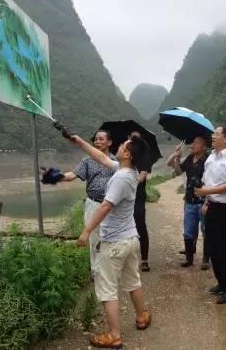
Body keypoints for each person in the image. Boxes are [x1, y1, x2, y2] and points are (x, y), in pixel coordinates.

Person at [70, 131, 152, 349]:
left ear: (127, 154)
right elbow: (102, 158)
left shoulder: (121, 178)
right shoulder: (127, 169)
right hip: (130, 239)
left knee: (107, 289)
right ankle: (142, 315)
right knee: (132, 280)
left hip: (115, 243)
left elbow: (105, 206)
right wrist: (79, 142)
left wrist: (87, 231)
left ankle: (114, 335)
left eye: (123, 145)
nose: (119, 147)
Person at [194, 126, 226, 304]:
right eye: (213, 133)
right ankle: (222, 282)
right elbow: (209, 180)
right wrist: (207, 200)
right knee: (214, 248)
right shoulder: (212, 157)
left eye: (216, 134)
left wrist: (207, 191)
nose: (212, 136)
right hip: (213, 208)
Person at [57, 130, 115, 274]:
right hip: (93, 204)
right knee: (94, 238)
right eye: (95, 139)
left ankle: (110, 267)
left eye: (101, 139)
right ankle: (96, 271)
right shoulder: (87, 160)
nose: (97, 142)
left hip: (112, 206)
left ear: (110, 142)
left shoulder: (115, 162)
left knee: (110, 237)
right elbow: (72, 175)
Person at [166, 136, 210, 269]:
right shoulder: (190, 158)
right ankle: (189, 259)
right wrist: (178, 156)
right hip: (190, 201)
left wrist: (207, 202)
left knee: (206, 231)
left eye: (196, 143)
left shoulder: (208, 161)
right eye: (192, 142)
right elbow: (178, 171)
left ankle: (206, 260)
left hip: (203, 201)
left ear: (204, 147)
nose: (192, 145)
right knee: (188, 231)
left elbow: (212, 182)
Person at [130, 130, 152, 272]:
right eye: (131, 138)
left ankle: (144, 260)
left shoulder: (144, 158)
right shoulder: (124, 158)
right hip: (124, 199)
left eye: (135, 138)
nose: (132, 140)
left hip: (137, 198)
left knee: (140, 227)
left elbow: (141, 179)